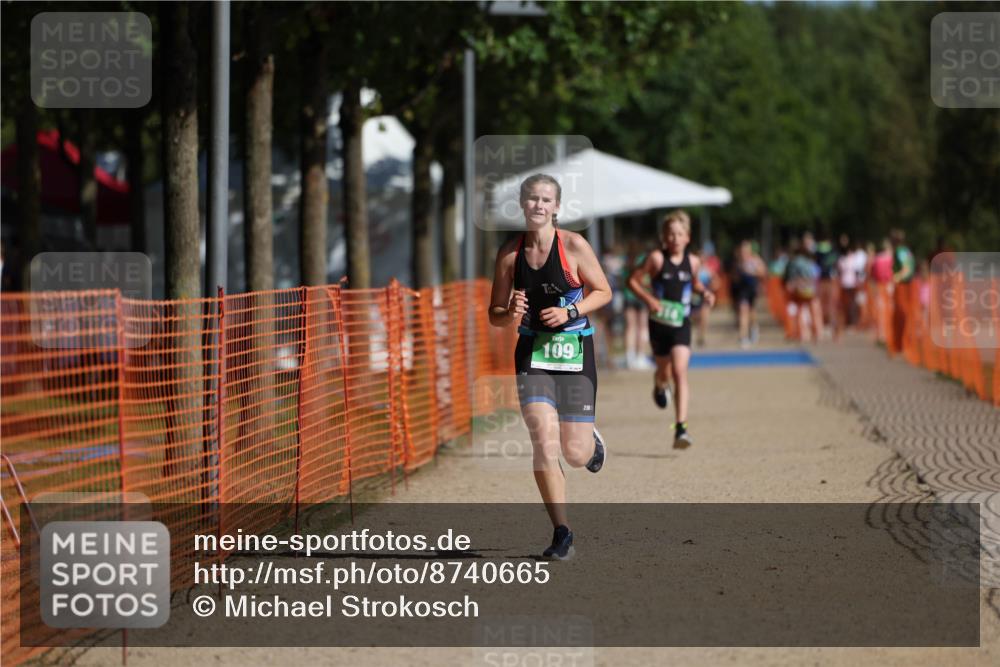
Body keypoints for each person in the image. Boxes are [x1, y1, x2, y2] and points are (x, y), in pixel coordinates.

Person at [488, 173, 613, 561]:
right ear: (522, 205)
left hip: (575, 349)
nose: (539, 206)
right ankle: (562, 532)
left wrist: (570, 310)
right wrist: (508, 312)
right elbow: (493, 313)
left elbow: (604, 291)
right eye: (532, 199)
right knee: (543, 437)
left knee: (574, 454)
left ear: (556, 207)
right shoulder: (510, 255)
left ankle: (590, 442)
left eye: (546, 200)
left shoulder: (573, 246)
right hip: (532, 352)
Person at [628, 210, 715, 448]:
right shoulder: (656, 258)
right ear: (664, 237)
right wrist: (649, 299)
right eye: (670, 234)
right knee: (664, 373)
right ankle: (658, 385)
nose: (675, 238)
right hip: (659, 324)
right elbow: (632, 281)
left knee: (679, 372)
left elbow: (693, 282)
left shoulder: (694, 261)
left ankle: (681, 429)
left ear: (687, 237)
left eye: (679, 234)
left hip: (681, 324)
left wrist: (704, 292)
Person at [784, 238, 823, 342]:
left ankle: (804, 334)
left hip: (801, 288)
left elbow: (792, 277)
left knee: (801, 310)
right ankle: (818, 332)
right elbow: (816, 275)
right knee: (814, 310)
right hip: (812, 288)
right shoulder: (810, 263)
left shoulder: (795, 262)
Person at [621, 239, 652, 369]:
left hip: (628, 296)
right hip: (641, 295)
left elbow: (623, 279)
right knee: (642, 327)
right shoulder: (643, 259)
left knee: (630, 327)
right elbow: (644, 279)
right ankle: (640, 356)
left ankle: (629, 356)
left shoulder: (626, 259)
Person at [732, 240, 767, 348]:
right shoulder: (738, 262)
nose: (744, 253)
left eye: (746, 250)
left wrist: (752, 272)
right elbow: (734, 277)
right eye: (742, 250)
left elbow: (763, 272)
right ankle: (743, 337)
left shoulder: (755, 260)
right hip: (742, 290)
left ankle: (754, 328)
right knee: (743, 311)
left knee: (751, 312)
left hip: (752, 289)